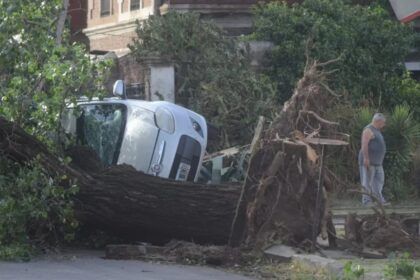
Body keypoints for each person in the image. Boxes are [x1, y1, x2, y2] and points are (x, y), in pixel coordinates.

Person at [358, 113, 388, 206]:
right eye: (383, 122)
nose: (384, 124)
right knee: (367, 182)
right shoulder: (368, 129)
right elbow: (364, 145)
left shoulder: (377, 130)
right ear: (378, 121)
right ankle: (367, 201)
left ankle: (379, 200)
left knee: (379, 181)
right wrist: (366, 159)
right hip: (369, 162)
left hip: (378, 163)